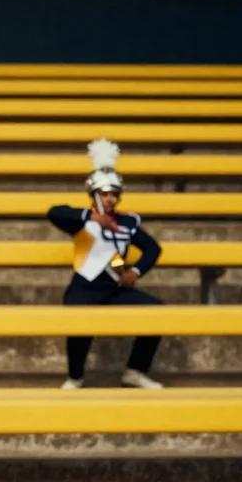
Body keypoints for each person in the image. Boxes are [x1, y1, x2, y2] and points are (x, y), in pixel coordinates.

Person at [47, 138, 164, 390]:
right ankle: (75, 377)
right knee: (78, 320)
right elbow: (54, 212)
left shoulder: (127, 222)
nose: (109, 199)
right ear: (93, 195)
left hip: (115, 287)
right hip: (85, 285)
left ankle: (134, 372)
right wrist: (91, 216)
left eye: (113, 194)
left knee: (158, 313)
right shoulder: (82, 219)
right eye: (103, 193)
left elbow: (153, 248)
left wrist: (135, 270)